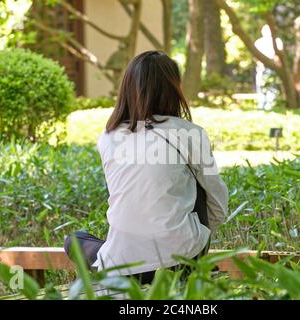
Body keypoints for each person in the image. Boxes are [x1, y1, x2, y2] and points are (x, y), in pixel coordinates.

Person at [65, 51, 228, 285]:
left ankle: (115, 258)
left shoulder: (108, 137)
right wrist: (195, 239)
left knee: (75, 239)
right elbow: (218, 202)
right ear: (173, 88)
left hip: (122, 264)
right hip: (182, 260)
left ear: (128, 88)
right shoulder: (190, 133)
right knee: (200, 185)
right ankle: (190, 260)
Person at [254, 24, 283, 110]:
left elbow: (279, 56)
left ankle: (269, 106)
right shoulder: (258, 42)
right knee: (260, 85)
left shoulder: (277, 41)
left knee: (272, 87)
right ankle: (261, 106)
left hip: (273, 68)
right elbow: (255, 57)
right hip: (261, 67)